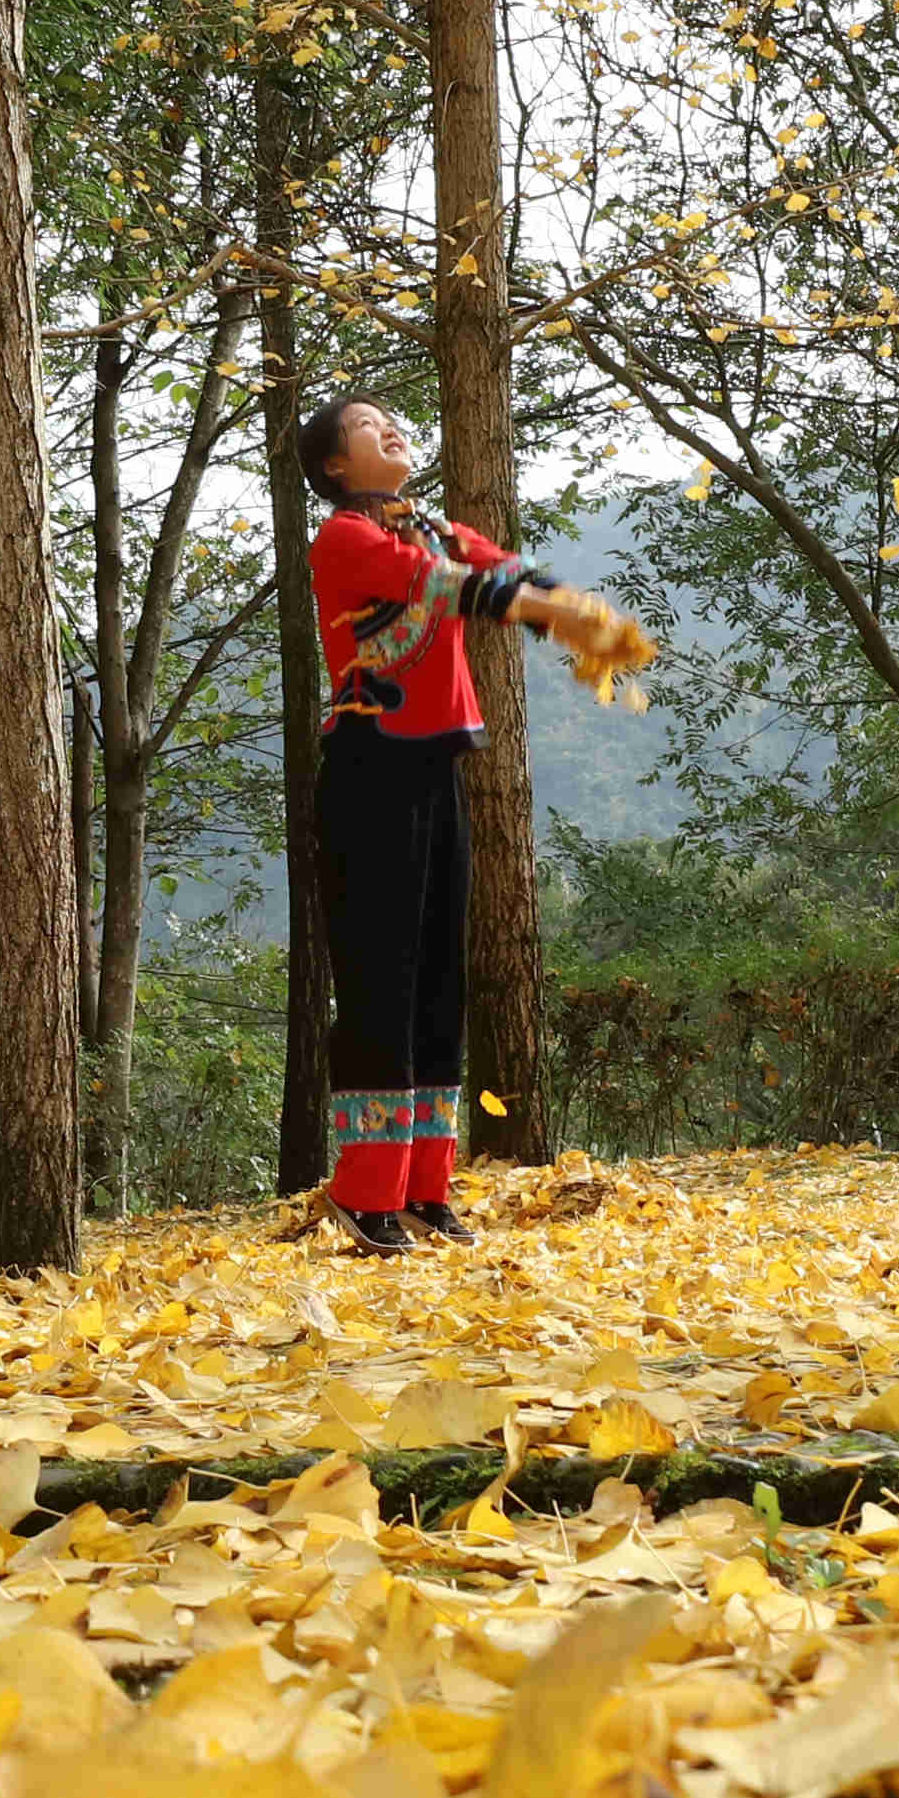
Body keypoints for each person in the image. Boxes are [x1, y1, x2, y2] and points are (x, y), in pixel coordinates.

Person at [298, 394, 613, 1251]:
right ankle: (363, 1190)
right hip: (369, 776)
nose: (388, 426)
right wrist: (554, 615)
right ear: (334, 466)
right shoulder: (346, 538)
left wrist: (581, 610)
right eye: (366, 426)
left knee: (439, 981)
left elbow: (510, 571)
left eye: (390, 418)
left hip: (436, 772)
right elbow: (456, 592)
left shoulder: (434, 524)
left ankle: (423, 1187)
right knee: (380, 984)